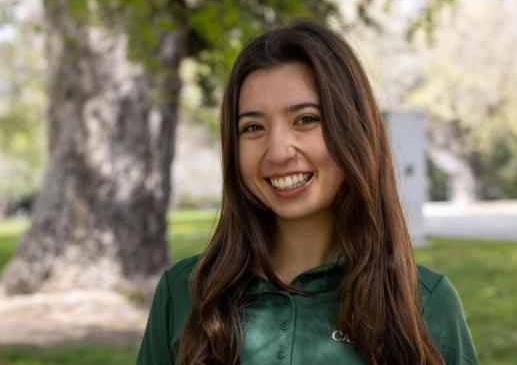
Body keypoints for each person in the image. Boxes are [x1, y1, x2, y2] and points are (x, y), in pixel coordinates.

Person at [136, 20, 479, 365]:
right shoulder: (183, 292)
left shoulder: (425, 303)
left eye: (305, 119)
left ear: (353, 130)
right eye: (252, 127)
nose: (278, 152)